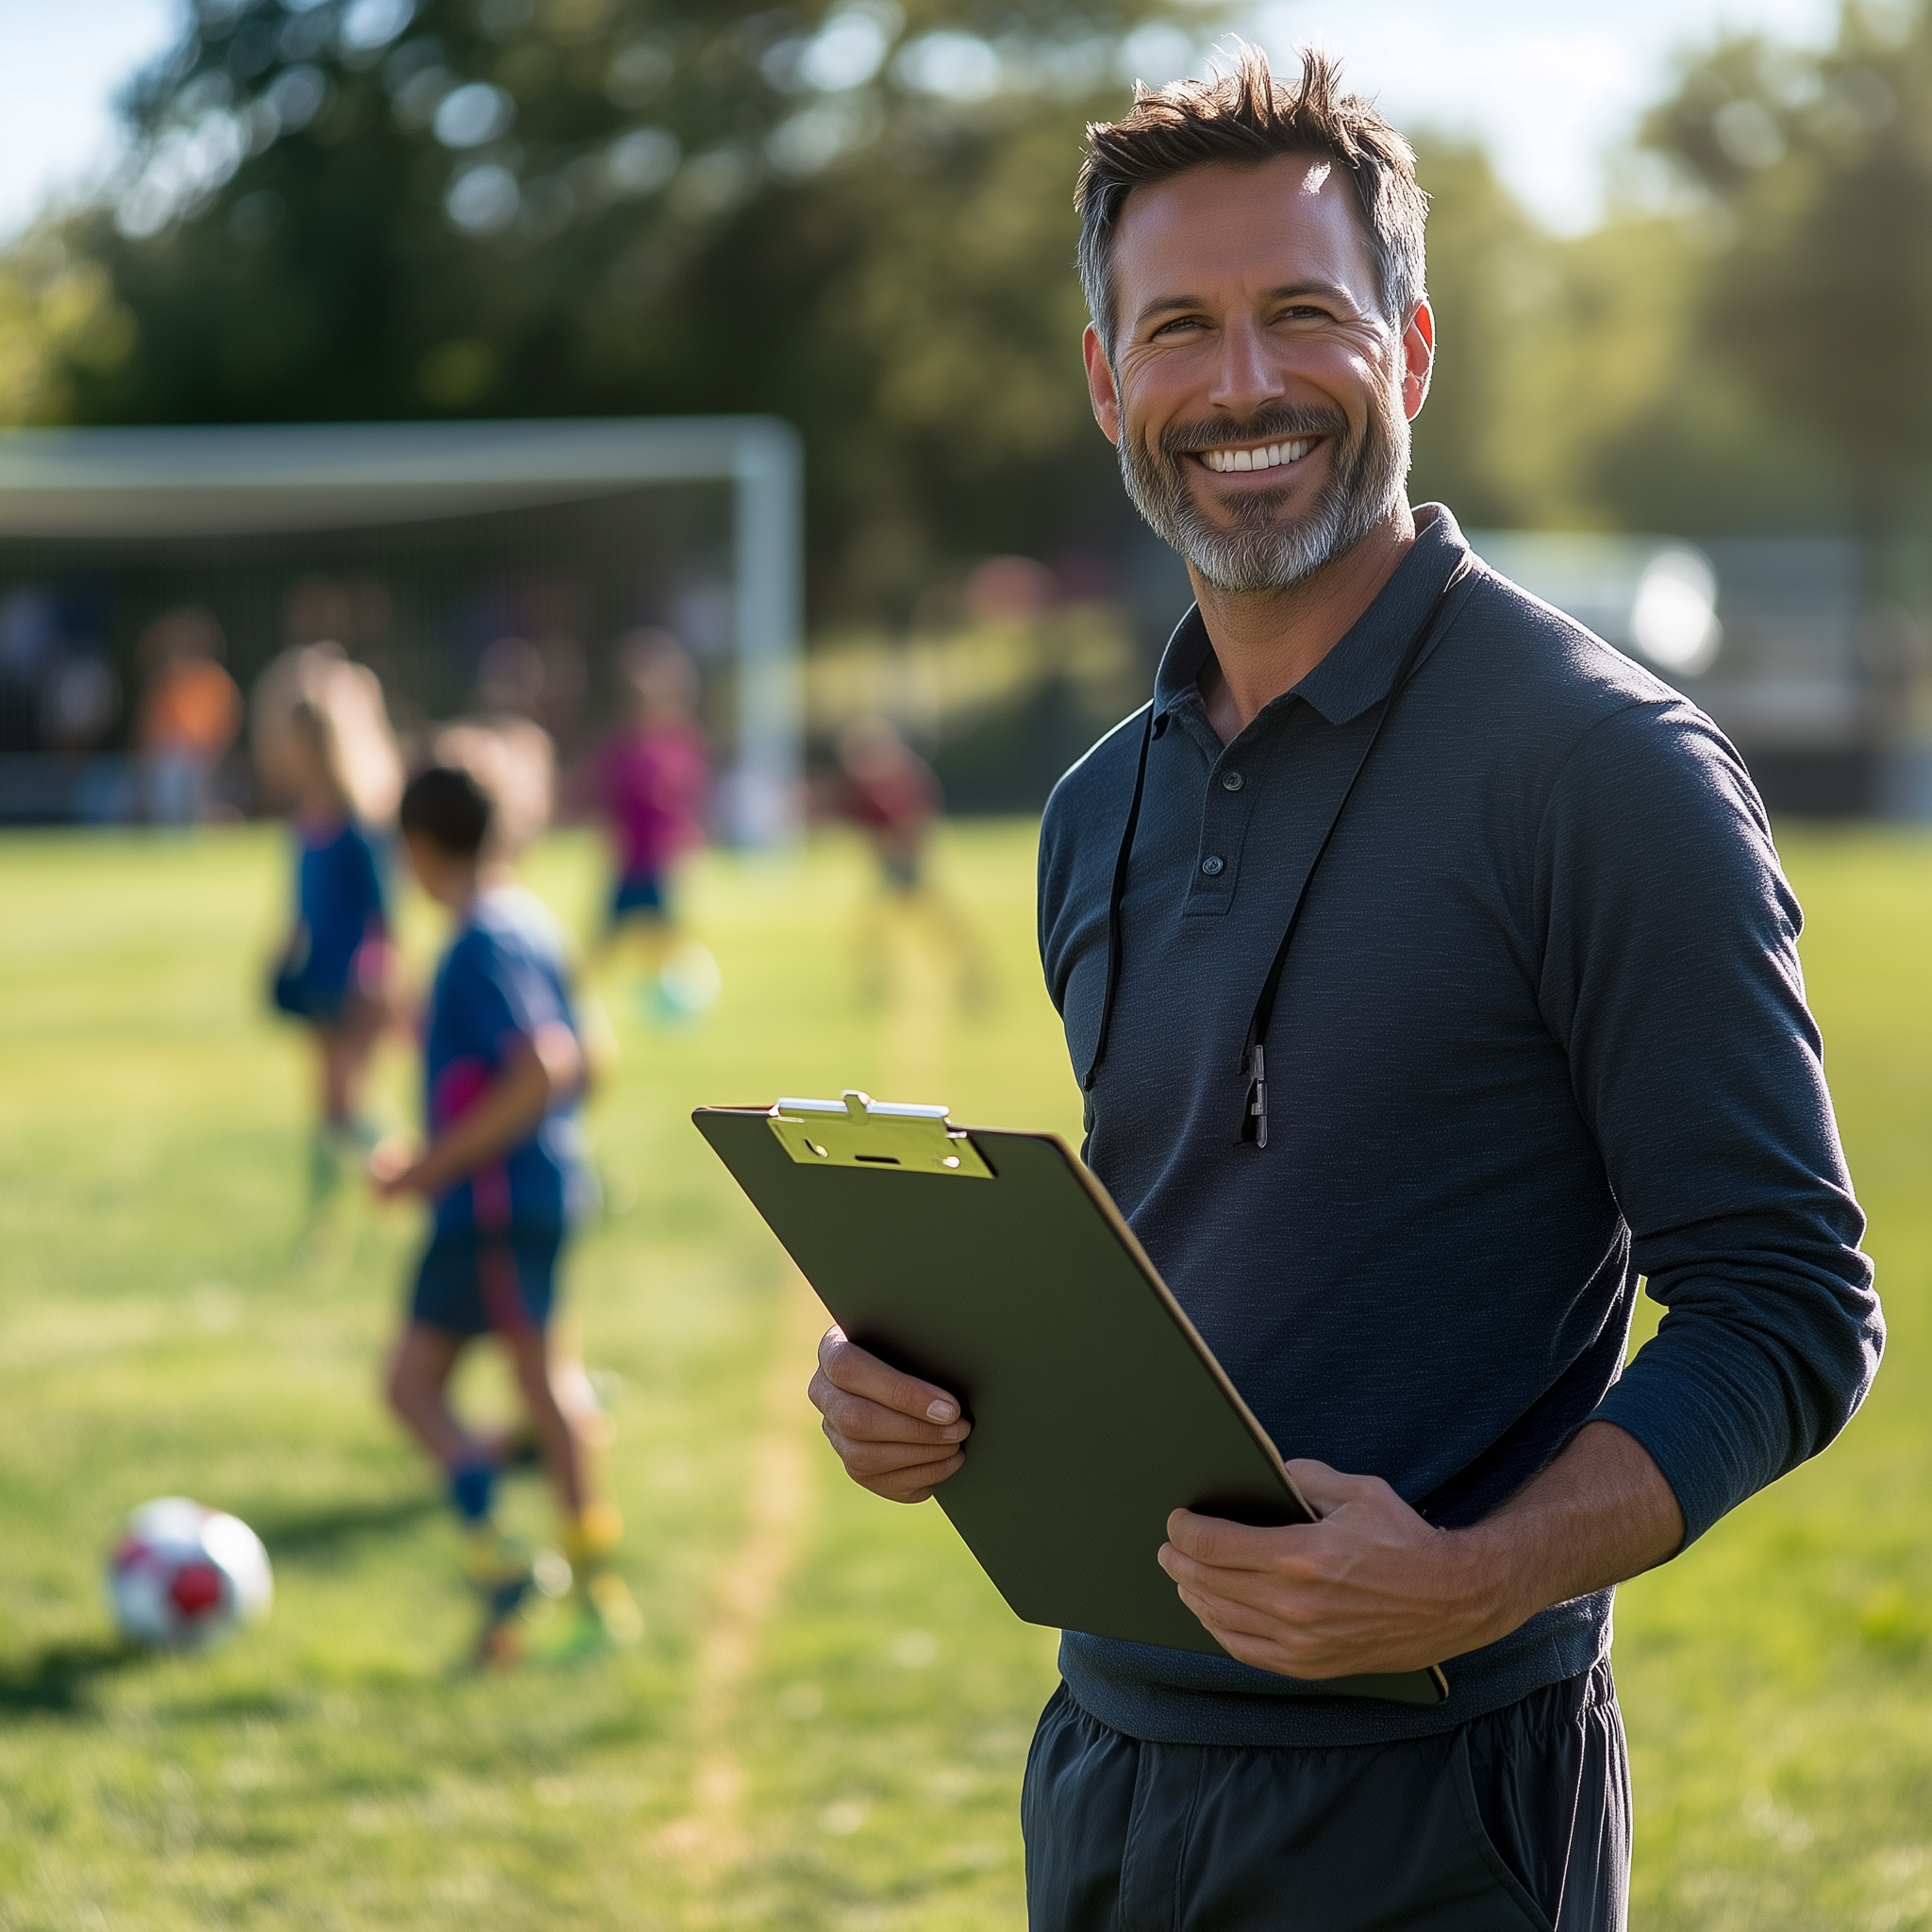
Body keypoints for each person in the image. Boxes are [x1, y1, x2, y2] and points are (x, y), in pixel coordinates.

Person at [808, 47, 1882, 1929]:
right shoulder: (1093, 808)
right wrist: (931, 1389)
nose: (1239, 388)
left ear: (1410, 348)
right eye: (1179, 329)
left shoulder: (1602, 769)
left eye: (1302, 315)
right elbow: (1201, 1251)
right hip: (1109, 1769)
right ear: (1102, 377)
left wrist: (1475, 1570)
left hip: (1440, 1806)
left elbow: (1789, 1308)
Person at [371, 761, 637, 1664]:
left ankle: (544, 1580)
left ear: (415, 847)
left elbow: (548, 1065)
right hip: (528, 1194)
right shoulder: (530, 922)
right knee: (466, 1383)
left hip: (489, 1208)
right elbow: (594, 1058)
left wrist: (426, 1167)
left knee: (470, 1387)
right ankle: (553, 1575)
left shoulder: (480, 941)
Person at [253, 642, 402, 1215]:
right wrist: (280, 956)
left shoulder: (356, 826)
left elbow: (384, 913)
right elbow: (300, 910)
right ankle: (324, 1214)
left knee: (346, 1108)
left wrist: (385, 977)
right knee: (330, 1108)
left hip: (353, 981)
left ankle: (411, 1170)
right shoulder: (306, 824)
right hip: (318, 978)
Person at [591, 629, 718, 1020]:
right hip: (630, 862)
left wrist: (689, 853)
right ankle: (584, 1001)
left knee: (668, 942)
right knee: (606, 938)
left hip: (661, 863)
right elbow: (608, 803)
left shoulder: (683, 743)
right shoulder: (621, 745)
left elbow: (689, 802)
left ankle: (677, 1004)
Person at [822, 713, 988, 1009]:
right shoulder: (864, 789)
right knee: (877, 929)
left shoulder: (902, 782)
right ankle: (876, 982)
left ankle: (970, 978)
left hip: (909, 865)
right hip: (890, 866)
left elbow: (916, 825)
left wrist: (901, 852)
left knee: (937, 925)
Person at [136, 607, 242, 825]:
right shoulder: (165, 682)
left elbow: (225, 725)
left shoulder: (215, 681)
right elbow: (152, 731)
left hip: (204, 760)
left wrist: (211, 755)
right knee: (169, 804)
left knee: (199, 809)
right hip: (169, 761)